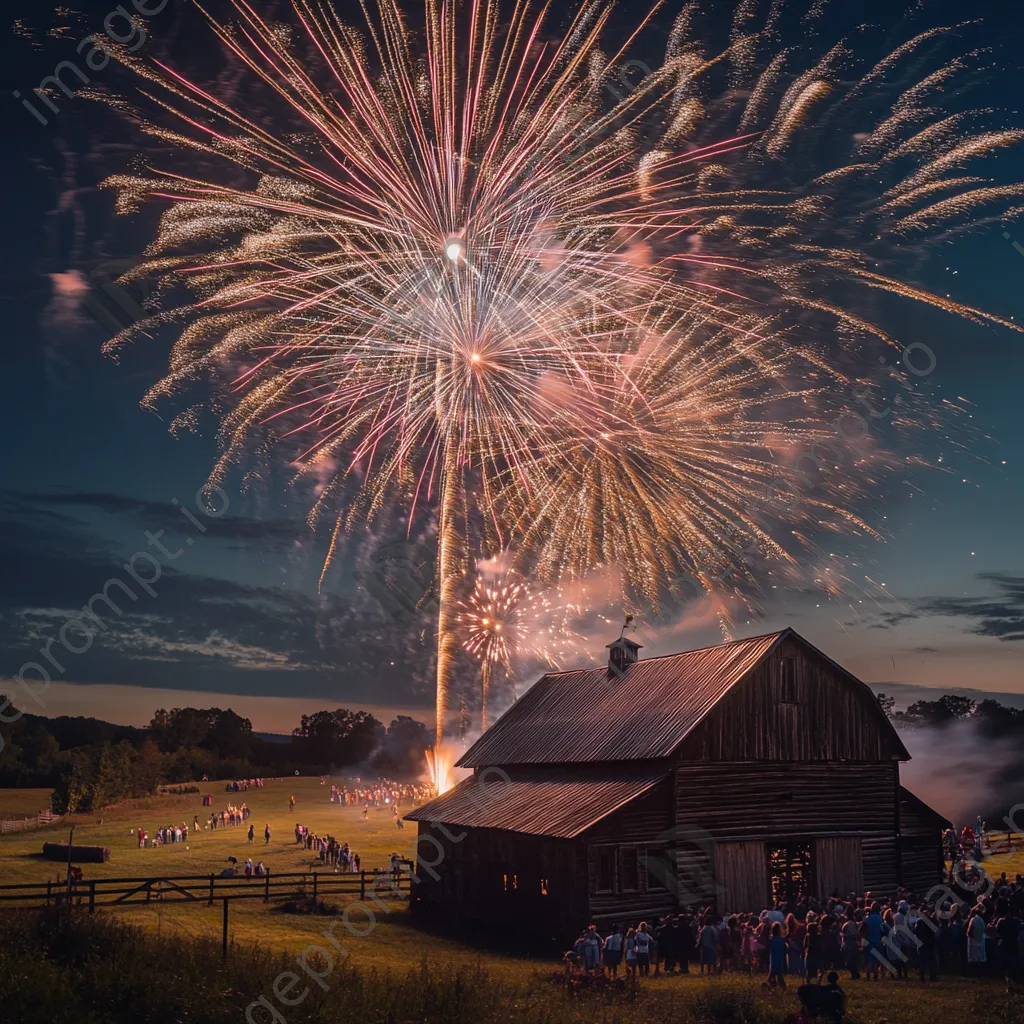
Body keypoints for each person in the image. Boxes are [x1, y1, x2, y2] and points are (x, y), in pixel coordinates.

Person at [967, 905, 988, 974]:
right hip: (980, 940)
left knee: (973, 958)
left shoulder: (973, 920)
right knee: (980, 957)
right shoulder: (982, 921)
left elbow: (969, 932)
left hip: (973, 941)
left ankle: (973, 973)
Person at [768, 922, 787, 989]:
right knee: (780, 973)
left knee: (772, 971)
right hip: (780, 957)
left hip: (773, 957)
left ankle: (772, 983)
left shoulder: (771, 940)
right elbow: (785, 948)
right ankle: (781, 984)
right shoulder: (782, 940)